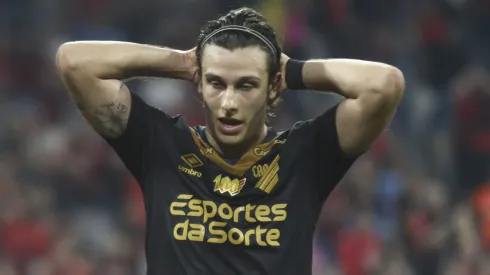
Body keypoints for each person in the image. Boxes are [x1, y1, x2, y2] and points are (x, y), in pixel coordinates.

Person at [56, 7, 404, 275]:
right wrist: (184, 62)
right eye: (216, 83)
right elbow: (74, 62)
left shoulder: (305, 156)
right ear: (200, 85)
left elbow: (383, 85)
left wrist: (292, 71)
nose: (229, 103)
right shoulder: (162, 147)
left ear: (272, 89)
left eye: (247, 85)